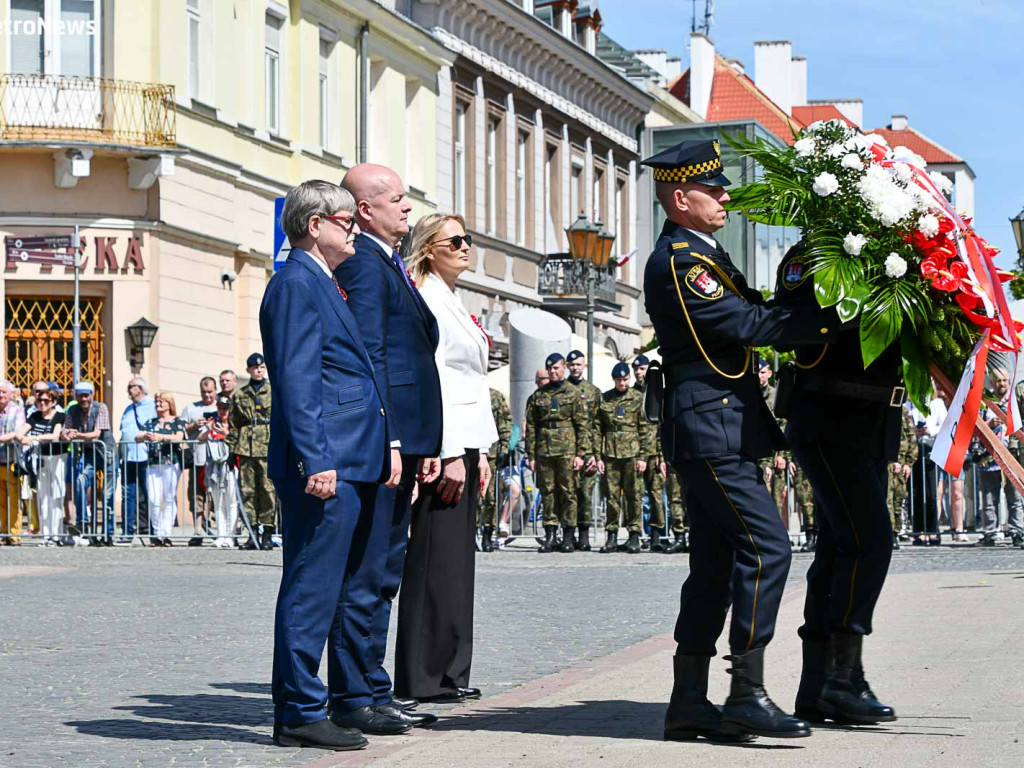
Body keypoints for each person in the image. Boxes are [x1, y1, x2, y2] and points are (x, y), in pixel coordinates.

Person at [643, 139, 841, 741]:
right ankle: (746, 692)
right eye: (714, 189)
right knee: (768, 548)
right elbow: (748, 323)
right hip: (711, 428)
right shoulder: (681, 260)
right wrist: (836, 318)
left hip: (720, 425)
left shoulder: (704, 255)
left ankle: (689, 700)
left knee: (714, 563)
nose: (726, 195)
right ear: (682, 198)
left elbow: (756, 307)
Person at [260, 179, 398, 751]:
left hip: (353, 456)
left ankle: (334, 701)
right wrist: (315, 458)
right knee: (312, 587)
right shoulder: (295, 283)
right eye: (347, 221)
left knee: (344, 587)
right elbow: (297, 379)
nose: (355, 231)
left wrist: (383, 443)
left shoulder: (324, 282)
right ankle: (297, 707)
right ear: (314, 225)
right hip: (326, 462)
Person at [334, 164, 443, 730]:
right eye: (396, 198)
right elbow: (371, 357)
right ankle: (355, 694)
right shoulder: (367, 266)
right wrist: (394, 439)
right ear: (365, 210)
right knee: (368, 571)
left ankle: (373, 687)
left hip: (405, 443)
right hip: (382, 445)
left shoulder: (389, 262)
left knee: (386, 571)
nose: (407, 207)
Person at [774, 241, 900, 727]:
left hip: (872, 425)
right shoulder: (817, 254)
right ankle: (844, 679)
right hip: (829, 419)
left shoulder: (894, 256)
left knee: (837, 553)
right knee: (870, 543)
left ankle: (819, 686)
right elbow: (791, 324)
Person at [394, 212, 497, 704]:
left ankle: (450, 669)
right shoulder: (427, 297)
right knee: (433, 559)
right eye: (453, 240)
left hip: (467, 442)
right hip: (445, 443)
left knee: (457, 563)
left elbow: (473, 381)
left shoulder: (454, 300)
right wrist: (451, 450)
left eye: (467, 239)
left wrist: (482, 451)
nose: (464, 246)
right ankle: (422, 674)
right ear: (428, 248)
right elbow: (437, 379)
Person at [524, 353, 591, 553]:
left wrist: (581, 453)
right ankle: (550, 534)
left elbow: (583, 426)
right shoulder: (538, 396)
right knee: (547, 492)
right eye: (550, 368)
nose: (553, 372)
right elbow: (531, 428)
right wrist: (531, 455)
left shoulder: (573, 393)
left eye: (556, 368)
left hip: (567, 451)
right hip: (544, 451)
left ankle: (569, 535)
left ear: (564, 369)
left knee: (568, 492)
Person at [596, 362, 650, 553]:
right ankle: (611, 535)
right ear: (614, 380)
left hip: (632, 454)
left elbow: (645, 429)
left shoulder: (637, 398)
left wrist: (644, 456)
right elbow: (597, 429)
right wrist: (598, 456)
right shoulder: (606, 399)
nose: (622, 383)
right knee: (611, 497)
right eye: (619, 380)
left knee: (633, 496)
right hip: (610, 453)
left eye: (625, 379)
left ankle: (634, 535)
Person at [228, 354, 278, 550]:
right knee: (248, 491)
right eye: (254, 367)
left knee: (268, 491)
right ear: (248, 370)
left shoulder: (273, 391)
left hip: (267, 445)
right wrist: (231, 450)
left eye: (262, 367)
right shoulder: (241, 394)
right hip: (246, 447)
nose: (258, 370)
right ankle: (252, 532)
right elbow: (234, 423)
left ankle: (267, 533)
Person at [63, 381, 116, 544]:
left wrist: (76, 434)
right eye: (80, 395)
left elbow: (96, 434)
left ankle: (108, 534)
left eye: (86, 395)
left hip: (106, 453)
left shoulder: (101, 408)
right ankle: (83, 522)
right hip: (88, 453)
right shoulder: (72, 409)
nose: (83, 398)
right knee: (80, 481)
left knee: (107, 494)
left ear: (92, 395)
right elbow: (66, 429)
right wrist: (66, 435)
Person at [977, 369, 1024, 548]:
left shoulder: (1014, 401)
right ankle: (990, 532)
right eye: (998, 381)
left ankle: (1017, 532)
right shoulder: (985, 402)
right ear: (992, 382)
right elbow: (976, 427)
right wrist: (990, 424)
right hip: (989, 458)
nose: (1001, 384)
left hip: (1011, 455)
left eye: (1004, 380)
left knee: (1014, 498)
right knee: (989, 498)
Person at [17, 389, 66, 545]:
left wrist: (33, 437)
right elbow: (20, 434)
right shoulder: (34, 416)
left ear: (53, 402)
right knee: (42, 497)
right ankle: (46, 536)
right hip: (40, 459)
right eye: (40, 400)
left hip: (57, 458)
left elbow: (55, 436)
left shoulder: (59, 416)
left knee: (56, 497)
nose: (42, 403)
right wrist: (24, 438)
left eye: (46, 400)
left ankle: (56, 535)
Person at [136, 392, 186, 547]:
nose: (158, 405)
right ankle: (157, 533)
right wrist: (145, 436)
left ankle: (166, 533)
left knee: (169, 498)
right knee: (153, 498)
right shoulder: (151, 422)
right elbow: (137, 436)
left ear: (169, 404)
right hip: (153, 462)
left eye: (161, 402)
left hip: (171, 462)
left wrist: (162, 437)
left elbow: (179, 437)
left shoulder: (177, 421)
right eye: (157, 402)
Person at [566, 350, 601, 551]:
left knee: (586, 494)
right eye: (572, 365)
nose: (575, 368)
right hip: (568, 450)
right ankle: (568, 534)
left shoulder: (593, 391)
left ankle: (585, 534)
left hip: (588, 451)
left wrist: (596, 455)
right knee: (569, 494)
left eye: (578, 364)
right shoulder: (562, 389)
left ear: (584, 366)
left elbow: (598, 425)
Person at [633, 355, 668, 552]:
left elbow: (661, 426)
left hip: (655, 455)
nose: (639, 372)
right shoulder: (631, 394)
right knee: (639, 498)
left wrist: (662, 456)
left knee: (656, 498)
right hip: (636, 455)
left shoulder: (657, 393)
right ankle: (639, 535)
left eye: (642, 368)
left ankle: (657, 535)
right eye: (636, 368)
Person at [199, 394, 239, 548]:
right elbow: (201, 438)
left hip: (230, 466)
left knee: (231, 502)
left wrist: (226, 433)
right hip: (214, 467)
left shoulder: (234, 423)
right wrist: (208, 430)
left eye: (225, 408)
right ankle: (221, 535)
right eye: (220, 408)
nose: (222, 411)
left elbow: (237, 440)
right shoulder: (213, 422)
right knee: (218, 502)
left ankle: (231, 535)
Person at [119, 377, 156, 542]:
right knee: (128, 494)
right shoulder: (128, 409)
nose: (128, 390)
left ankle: (150, 529)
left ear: (140, 388)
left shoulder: (153, 405)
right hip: (128, 457)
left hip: (145, 456)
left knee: (149, 494)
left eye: (131, 387)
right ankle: (127, 531)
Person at [908, 395, 945, 545]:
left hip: (930, 450)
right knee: (915, 494)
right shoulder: (908, 405)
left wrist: (929, 430)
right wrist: (914, 432)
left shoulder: (936, 403)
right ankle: (919, 531)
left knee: (931, 495)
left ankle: (932, 530)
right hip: (914, 451)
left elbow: (944, 424)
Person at [479, 388, 513, 552]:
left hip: (489, 453)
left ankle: (487, 533)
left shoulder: (494, 396)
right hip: (464, 451)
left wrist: (504, 448)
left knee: (490, 496)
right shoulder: (462, 391)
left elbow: (505, 423)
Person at [0, 381, 27, 545]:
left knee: (14, 500)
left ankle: (14, 534)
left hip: (12, 461)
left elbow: (17, 433)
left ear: (10, 394)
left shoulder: (17, 411)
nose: (1, 395)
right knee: (1, 500)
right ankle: (3, 533)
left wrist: (2, 438)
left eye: (3, 392)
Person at [888, 408, 918, 549]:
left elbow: (911, 436)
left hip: (901, 461)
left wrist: (908, 463)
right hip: (886, 463)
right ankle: (890, 534)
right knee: (887, 500)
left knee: (898, 499)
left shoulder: (903, 411)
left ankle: (896, 531)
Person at [662, 465, 689, 554]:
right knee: (675, 500)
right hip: (674, 463)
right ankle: (679, 538)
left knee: (693, 499)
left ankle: (694, 539)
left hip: (695, 462)